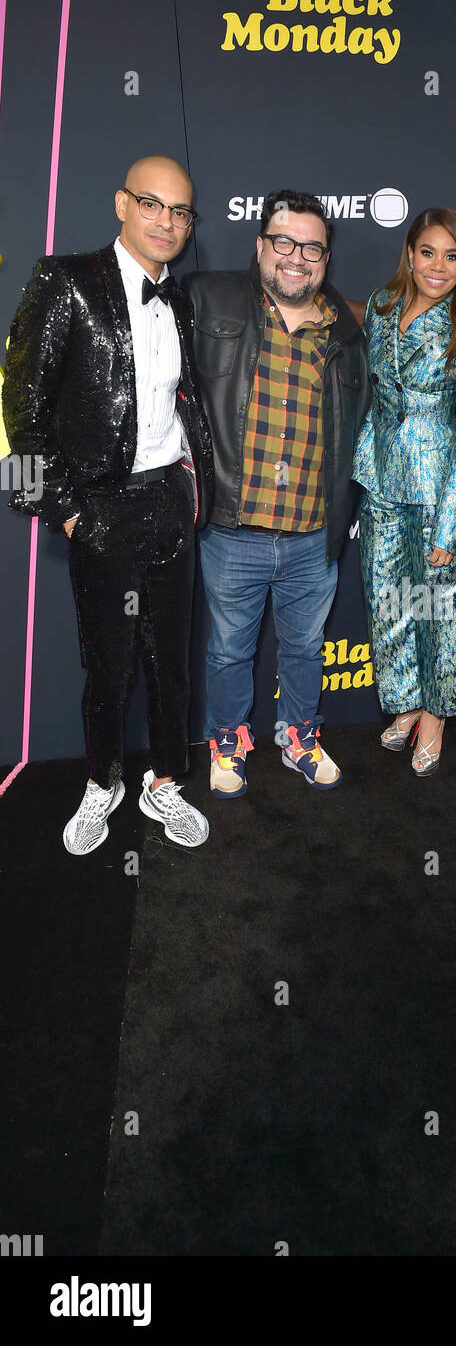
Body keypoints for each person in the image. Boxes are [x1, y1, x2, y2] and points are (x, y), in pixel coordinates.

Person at [3, 156, 213, 854]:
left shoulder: (178, 299)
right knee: (108, 665)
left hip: (168, 502)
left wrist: (191, 491)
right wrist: (63, 511)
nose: (167, 222)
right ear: (122, 202)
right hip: (98, 510)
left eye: (181, 212)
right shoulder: (65, 281)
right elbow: (20, 411)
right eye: (153, 204)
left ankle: (165, 783)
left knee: (172, 663)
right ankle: (102, 783)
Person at [186, 190, 368, 798]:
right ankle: (228, 741)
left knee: (306, 648)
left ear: (326, 257)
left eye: (311, 246)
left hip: (314, 533)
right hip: (233, 528)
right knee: (229, 652)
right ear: (260, 246)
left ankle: (298, 736)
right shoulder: (209, 298)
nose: (296, 257)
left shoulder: (344, 327)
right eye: (283, 242)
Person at [353, 207, 456, 775]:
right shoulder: (379, 309)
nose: (438, 266)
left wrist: (452, 522)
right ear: (409, 255)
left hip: (443, 494)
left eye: (452, 256)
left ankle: (437, 715)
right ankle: (408, 703)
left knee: (443, 610)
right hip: (381, 480)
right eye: (428, 252)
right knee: (390, 604)